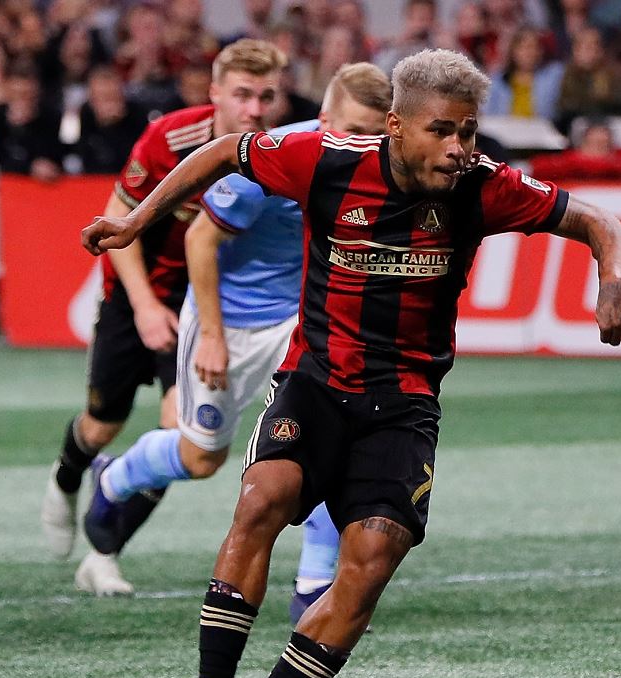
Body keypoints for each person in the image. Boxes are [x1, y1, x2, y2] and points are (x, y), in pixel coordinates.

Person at [80, 47, 621, 678]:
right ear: (393, 125)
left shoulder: (483, 186)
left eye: (468, 131)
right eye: (441, 130)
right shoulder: (325, 158)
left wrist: (613, 282)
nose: (458, 148)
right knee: (262, 500)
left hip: (404, 404)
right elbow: (225, 151)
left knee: (372, 557)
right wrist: (134, 223)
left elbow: (596, 219)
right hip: (314, 382)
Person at [78, 62, 392, 604]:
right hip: (229, 319)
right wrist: (214, 339)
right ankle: (114, 476)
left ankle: (314, 585)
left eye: (376, 134)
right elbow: (201, 241)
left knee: (322, 441)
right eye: (353, 132)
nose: (364, 145)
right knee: (202, 458)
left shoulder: (388, 169)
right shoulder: (272, 161)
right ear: (323, 120)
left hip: (302, 321)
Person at [40, 39, 287, 576]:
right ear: (215, 93)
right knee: (103, 424)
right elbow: (117, 217)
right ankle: (65, 478)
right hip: (136, 289)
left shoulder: (278, 152)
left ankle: (104, 552)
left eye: (266, 97)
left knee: (181, 429)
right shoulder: (171, 137)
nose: (255, 110)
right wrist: (147, 307)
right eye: (243, 95)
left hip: (203, 300)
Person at [528, 119, 621, 180]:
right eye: (593, 144)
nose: (597, 152)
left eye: (602, 144)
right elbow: (538, 168)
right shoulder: (566, 160)